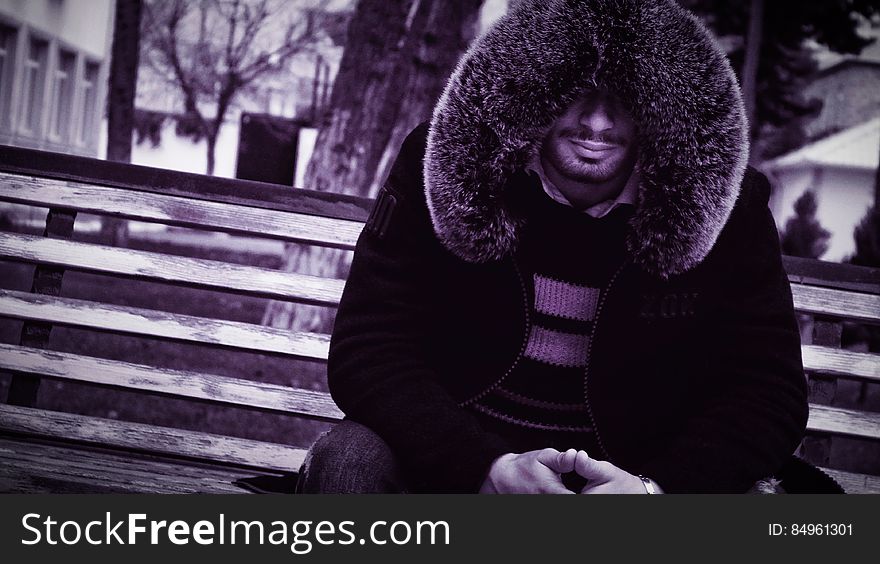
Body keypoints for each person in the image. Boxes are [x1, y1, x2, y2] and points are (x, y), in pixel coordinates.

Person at [297, 0, 812, 494]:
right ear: (534, 87)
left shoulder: (723, 205)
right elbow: (369, 346)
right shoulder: (446, 163)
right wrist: (481, 467)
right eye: (575, 92)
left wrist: (657, 490)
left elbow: (769, 390)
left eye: (625, 99)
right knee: (349, 458)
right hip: (453, 466)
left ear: (661, 106)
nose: (597, 122)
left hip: (633, 481)